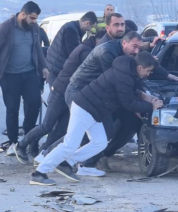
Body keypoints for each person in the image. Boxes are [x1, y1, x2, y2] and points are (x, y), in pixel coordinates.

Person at [30, 53, 163, 186]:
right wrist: (151, 106)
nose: (148, 74)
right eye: (148, 71)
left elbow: (130, 92)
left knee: (100, 143)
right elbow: (128, 103)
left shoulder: (127, 71)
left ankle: (67, 163)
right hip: (85, 108)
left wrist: (146, 98)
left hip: (94, 110)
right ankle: (39, 173)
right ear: (140, 67)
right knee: (70, 144)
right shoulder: (124, 77)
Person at [14, 31, 106, 165]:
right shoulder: (86, 52)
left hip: (73, 96)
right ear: (98, 41)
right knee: (47, 126)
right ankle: (21, 145)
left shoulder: (89, 49)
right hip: (60, 91)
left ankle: (43, 155)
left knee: (61, 130)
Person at [0, 1, 49, 156]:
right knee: (12, 109)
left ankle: (28, 140)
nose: (34, 21)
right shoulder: (6, 28)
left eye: (36, 19)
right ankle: (13, 142)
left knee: (34, 104)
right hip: (9, 76)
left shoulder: (34, 28)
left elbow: (37, 49)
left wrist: (44, 67)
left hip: (29, 73)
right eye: (32, 18)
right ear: (22, 14)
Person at [46, 11, 97, 87]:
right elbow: (73, 53)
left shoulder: (73, 27)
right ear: (87, 23)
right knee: (56, 94)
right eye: (91, 27)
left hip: (56, 66)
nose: (90, 30)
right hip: (57, 68)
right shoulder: (71, 30)